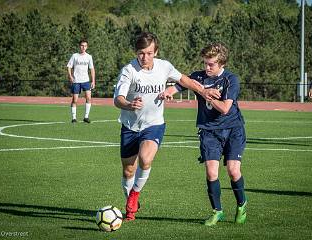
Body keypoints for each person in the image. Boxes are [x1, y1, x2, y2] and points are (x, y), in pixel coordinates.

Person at [113, 32, 218, 221]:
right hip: (130, 126)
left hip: (154, 125)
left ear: (156, 52)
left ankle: (134, 196)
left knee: (145, 159)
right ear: (136, 52)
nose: (145, 57)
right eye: (141, 53)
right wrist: (129, 105)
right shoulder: (129, 70)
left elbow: (184, 80)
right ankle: (130, 204)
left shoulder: (164, 66)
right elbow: (117, 99)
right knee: (128, 170)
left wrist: (203, 91)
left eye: (149, 53)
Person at [161, 42, 247, 225]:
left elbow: (225, 108)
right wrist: (169, 91)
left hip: (233, 129)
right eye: (205, 63)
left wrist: (207, 95)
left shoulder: (231, 80)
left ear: (221, 63)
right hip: (208, 131)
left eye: (211, 64)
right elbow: (179, 86)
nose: (207, 67)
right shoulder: (198, 77)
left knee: (233, 170)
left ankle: (241, 203)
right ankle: (217, 211)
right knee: (211, 172)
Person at [67, 39, 95, 123]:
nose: (83, 47)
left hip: (86, 81)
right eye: (82, 45)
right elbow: (69, 66)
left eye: (85, 46)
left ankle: (86, 117)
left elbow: (92, 69)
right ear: (79, 46)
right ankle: (74, 118)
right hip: (76, 81)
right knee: (75, 100)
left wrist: (93, 81)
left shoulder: (89, 57)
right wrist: (70, 76)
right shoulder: (74, 56)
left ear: (87, 47)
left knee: (89, 98)